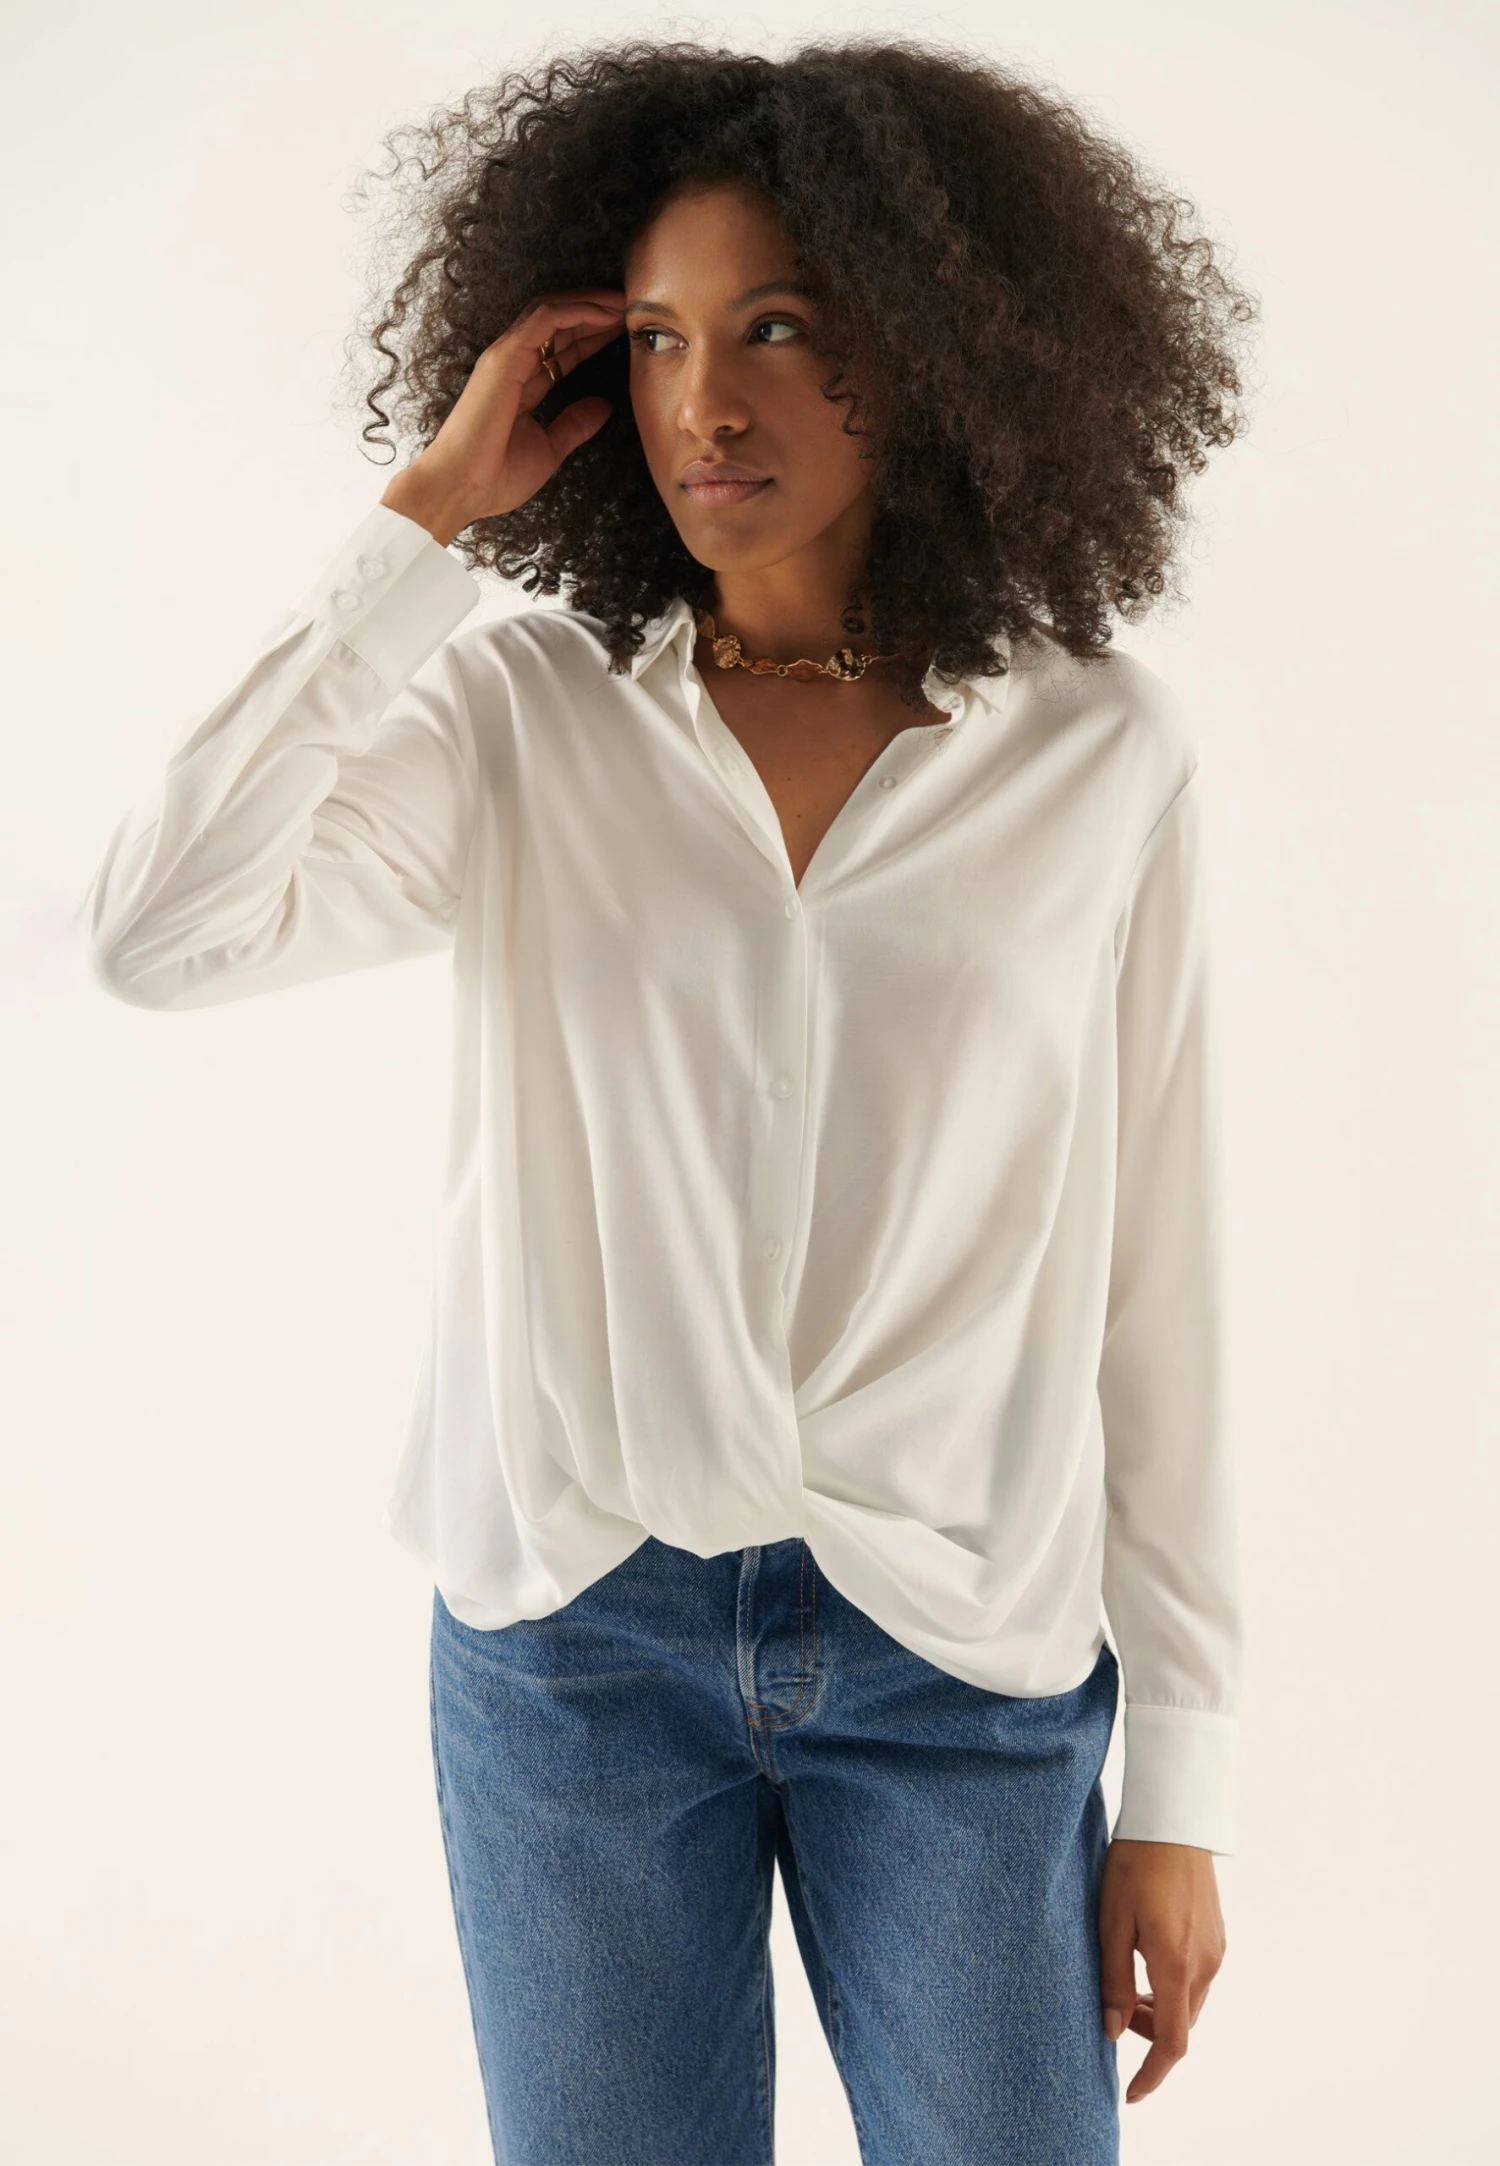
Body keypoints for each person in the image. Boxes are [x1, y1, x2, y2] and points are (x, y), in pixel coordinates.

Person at [81, 35, 1257, 2166]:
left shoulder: (1100, 750)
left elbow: (1155, 1277)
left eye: (780, 329)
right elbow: (160, 929)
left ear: (933, 347)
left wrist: (1180, 1781)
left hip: (961, 1651)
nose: (707, 402)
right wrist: (425, 523)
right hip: (575, 1641)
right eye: (654, 339)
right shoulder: (523, 719)